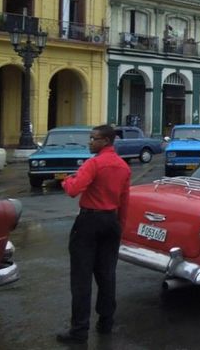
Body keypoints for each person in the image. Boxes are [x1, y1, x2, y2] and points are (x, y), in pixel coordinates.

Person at [56, 125, 131, 344]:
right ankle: (106, 322)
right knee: (107, 275)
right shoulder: (123, 166)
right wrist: (120, 226)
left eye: (93, 138)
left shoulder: (94, 163)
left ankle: (79, 330)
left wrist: (66, 180)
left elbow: (73, 190)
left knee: (81, 277)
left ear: (106, 141)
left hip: (89, 221)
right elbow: (125, 201)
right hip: (111, 222)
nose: (90, 142)